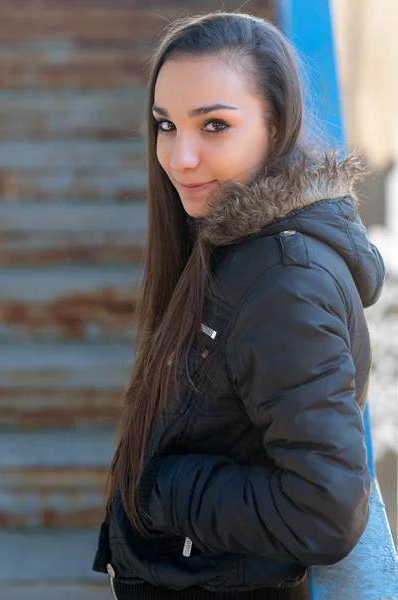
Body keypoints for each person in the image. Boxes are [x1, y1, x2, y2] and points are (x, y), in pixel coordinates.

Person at [92, 11, 385, 600]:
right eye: (166, 125)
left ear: (277, 125)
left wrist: (161, 489)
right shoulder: (235, 246)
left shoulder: (284, 285)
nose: (179, 157)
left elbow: (325, 514)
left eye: (215, 126)